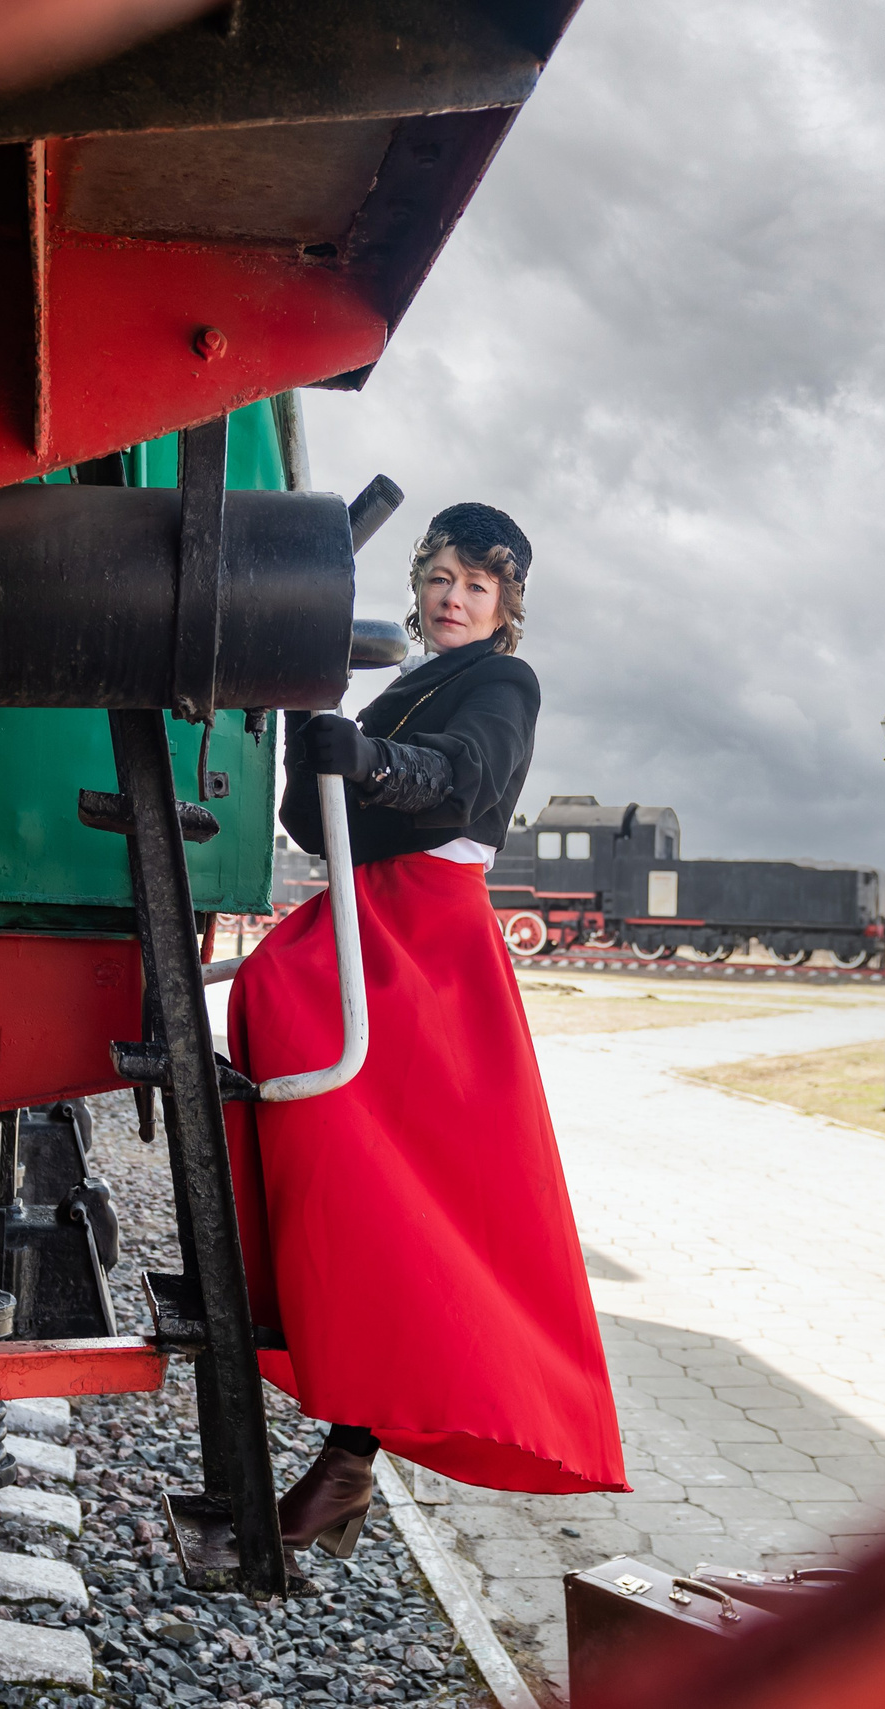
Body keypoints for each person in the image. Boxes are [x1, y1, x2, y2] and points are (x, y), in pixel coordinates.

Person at [224, 502, 626, 1558]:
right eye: (443, 578)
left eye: (477, 587)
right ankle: (344, 1452)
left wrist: (364, 763)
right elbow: (315, 822)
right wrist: (321, 761)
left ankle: (347, 1446)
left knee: (380, 1162)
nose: (454, 599)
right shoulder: (402, 682)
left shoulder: (502, 683)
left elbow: (464, 774)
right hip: (368, 914)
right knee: (326, 1094)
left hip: (423, 936)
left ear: (506, 608)